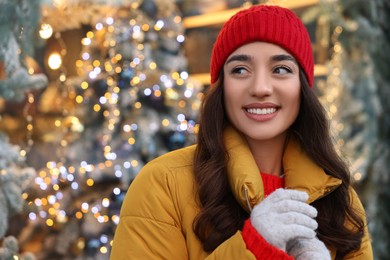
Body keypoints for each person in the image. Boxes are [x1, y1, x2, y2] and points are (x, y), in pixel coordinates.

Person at [110, 5, 373, 260]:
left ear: (302, 87)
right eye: (240, 70)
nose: (260, 87)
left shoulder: (339, 197)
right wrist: (254, 246)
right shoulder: (162, 184)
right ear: (221, 88)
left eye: (281, 69)